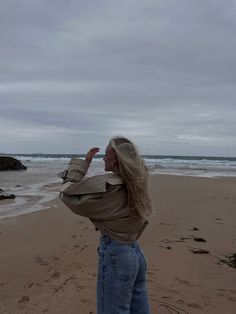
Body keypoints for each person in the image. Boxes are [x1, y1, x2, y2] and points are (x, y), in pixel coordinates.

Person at [59, 137, 153, 314]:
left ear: (116, 157)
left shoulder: (110, 186)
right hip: (136, 253)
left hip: (117, 255)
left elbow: (68, 195)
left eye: (106, 154)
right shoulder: (136, 181)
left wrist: (83, 165)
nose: (103, 158)